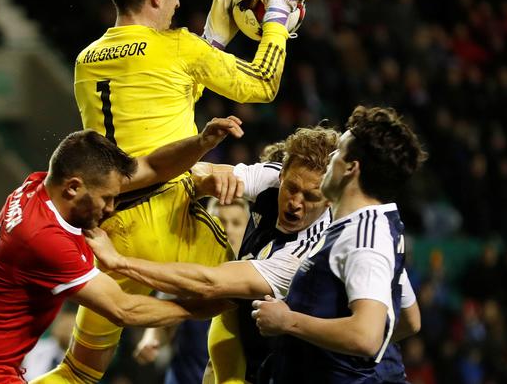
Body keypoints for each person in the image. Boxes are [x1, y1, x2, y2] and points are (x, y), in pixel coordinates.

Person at [40, 0, 309, 384]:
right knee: (237, 296)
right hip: (171, 220)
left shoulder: (86, 61)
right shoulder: (179, 48)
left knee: (79, 371)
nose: (181, 1)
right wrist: (277, 17)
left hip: (109, 230)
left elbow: (163, 94)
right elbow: (263, 84)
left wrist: (215, 41)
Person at [0, 117, 241, 383]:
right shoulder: (43, 239)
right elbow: (124, 309)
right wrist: (197, 308)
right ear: (73, 187)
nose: (113, 208)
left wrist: (201, 144)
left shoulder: (39, 185)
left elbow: (153, 168)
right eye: (107, 199)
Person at [87, 126, 339, 383]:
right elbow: (193, 173)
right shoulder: (271, 178)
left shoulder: (307, 252)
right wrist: (201, 180)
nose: (296, 202)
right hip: (236, 334)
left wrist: (120, 262)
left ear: (330, 197)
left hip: (282, 366)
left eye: (310, 196)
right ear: (283, 173)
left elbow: (211, 282)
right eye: (292, 188)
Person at [251, 105, 428, 383]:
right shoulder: (367, 225)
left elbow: (366, 337)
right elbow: (409, 318)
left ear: (350, 168)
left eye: (339, 151)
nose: (330, 157)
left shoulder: (365, 239)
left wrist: (289, 322)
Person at [133, 198, 250, 384]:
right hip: (184, 377)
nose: (227, 229)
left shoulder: (257, 277)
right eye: (219, 222)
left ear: (248, 229)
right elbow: (163, 314)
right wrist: (151, 339)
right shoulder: (187, 270)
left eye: (236, 223)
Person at [22, 304, 78, 381]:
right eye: (62, 322)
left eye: (70, 328)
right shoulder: (33, 349)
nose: (65, 331)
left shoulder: (79, 362)